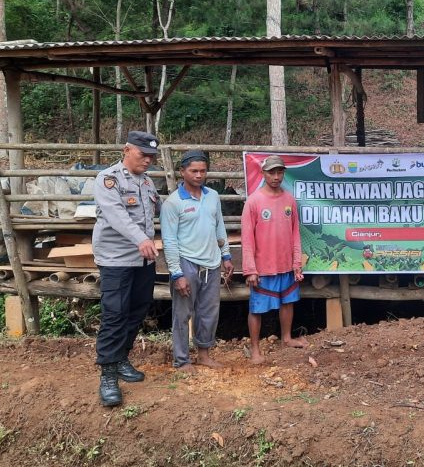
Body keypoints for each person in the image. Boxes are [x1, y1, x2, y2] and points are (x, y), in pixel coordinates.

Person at [93, 131, 162, 406]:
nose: (148, 160)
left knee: (138, 309)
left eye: (152, 156)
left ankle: (121, 357)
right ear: (126, 150)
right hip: (116, 259)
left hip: (143, 260)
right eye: (143, 154)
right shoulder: (108, 179)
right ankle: (108, 375)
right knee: (115, 314)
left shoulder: (147, 182)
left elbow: (158, 211)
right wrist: (141, 239)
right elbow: (117, 215)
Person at [161, 150, 234, 372]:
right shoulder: (173, 203)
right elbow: (169, 240)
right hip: (187, 262)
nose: (199, 175)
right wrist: (177, 273)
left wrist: (226, 255)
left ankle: (204, 354)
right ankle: (182, 360)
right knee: (182, 314)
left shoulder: (212, 196)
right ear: (182, 171)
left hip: (211, 262)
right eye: (193, 171)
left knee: (209, 312)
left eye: (203, 171)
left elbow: (219, 226)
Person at [241, 155, 306, 364]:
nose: (276, 177)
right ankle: (255, 348)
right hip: (263, 266)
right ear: (263, 173)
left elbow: (295, 233)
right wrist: (250, 269)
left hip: (286, 264)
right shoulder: (253, 201)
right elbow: (247, 238)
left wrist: (296, 263)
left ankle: (286, 338)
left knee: (288, 302)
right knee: (257, 308)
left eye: (280, 172)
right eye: (271, 172)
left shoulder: (289, 200)